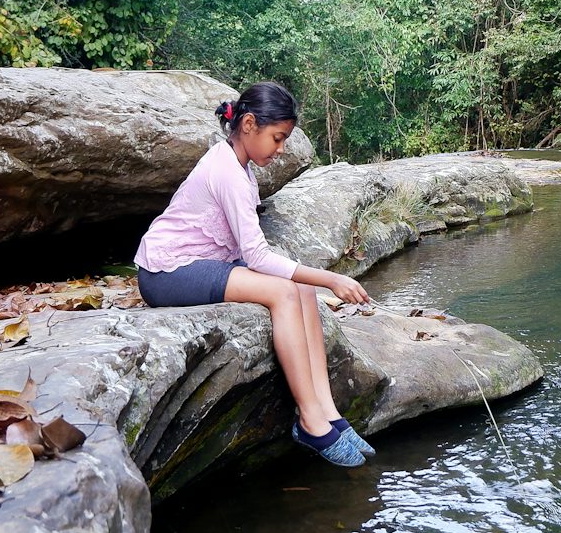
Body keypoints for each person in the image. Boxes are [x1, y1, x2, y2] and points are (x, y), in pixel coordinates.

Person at [133, 82, 378, 467]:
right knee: (284, 293)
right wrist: (331, 278)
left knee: (301, 289)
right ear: (248, 124)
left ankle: (327, 411)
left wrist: (312, 281)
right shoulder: (227, 171)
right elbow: (257, 257)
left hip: (203, 264)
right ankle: (310, 421)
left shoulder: (239, 166)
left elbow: (252, 254)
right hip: (168, 271)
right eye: (277, 138)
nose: (280, 149)